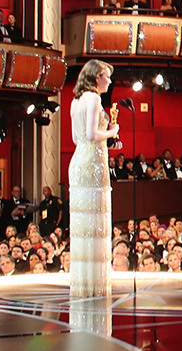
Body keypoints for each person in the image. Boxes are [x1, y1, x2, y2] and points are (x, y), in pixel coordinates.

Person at [69, 60, 120, 298]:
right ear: (95, 77)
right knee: (95, 221)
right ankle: (95, 286)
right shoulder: (93, 98)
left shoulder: (75, 100)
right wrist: (112, 131)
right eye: (105, 76)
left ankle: (83, 284)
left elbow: (75, 137)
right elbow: (91, 135)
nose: (109, 81)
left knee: (83, 225)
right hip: (93, 162)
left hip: (79, 161)